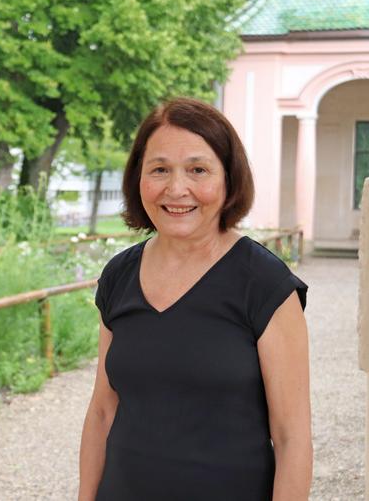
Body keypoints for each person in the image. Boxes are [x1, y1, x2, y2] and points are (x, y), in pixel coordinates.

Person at [78, 98, 312, 500]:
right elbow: (102, 411)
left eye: (197, 170)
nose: (176, 189)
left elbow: (291, 438)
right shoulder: (118, 276)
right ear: (139, 179)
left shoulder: (264, 283)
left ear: (228, 180)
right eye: (160, 170)